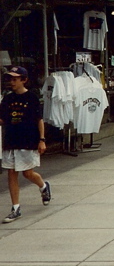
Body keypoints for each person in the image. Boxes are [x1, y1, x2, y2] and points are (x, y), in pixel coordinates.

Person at [0, 66, 51, 223]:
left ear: (24, 80)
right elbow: (3, 119)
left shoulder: (32, 98)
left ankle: (43, 186)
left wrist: (42, 140)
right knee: (11, 172)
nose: (12, 82)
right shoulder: (7, 99)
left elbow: (39, 120)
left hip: (28, 140)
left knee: (27, 173)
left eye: (15, 79)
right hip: (11, 140)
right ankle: (16, 208)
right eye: (10, 79)